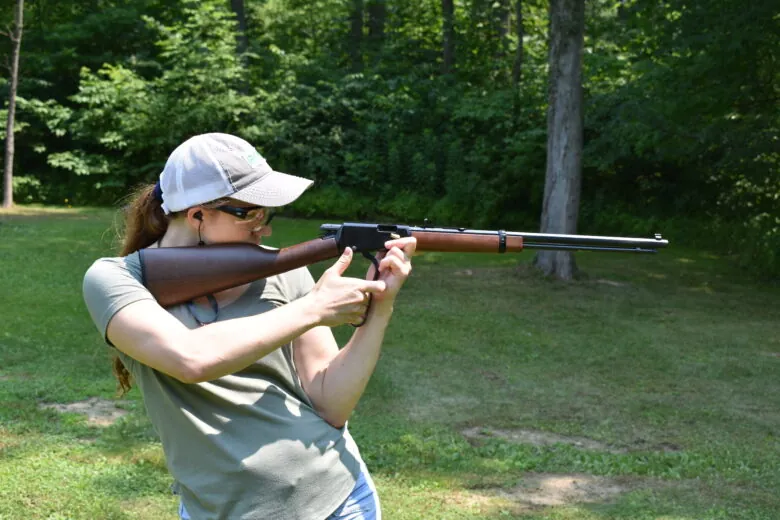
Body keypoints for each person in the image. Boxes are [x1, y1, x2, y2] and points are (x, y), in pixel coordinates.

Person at [82, 133, 415, 520]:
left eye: (265, 213)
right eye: (251, 213)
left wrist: (381, 304)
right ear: (198, 216)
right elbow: (191, 357)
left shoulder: (281, 271)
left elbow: (330, 403)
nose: (265, 228)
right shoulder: (117, 279)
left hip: (339, 499)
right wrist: (314, 308)